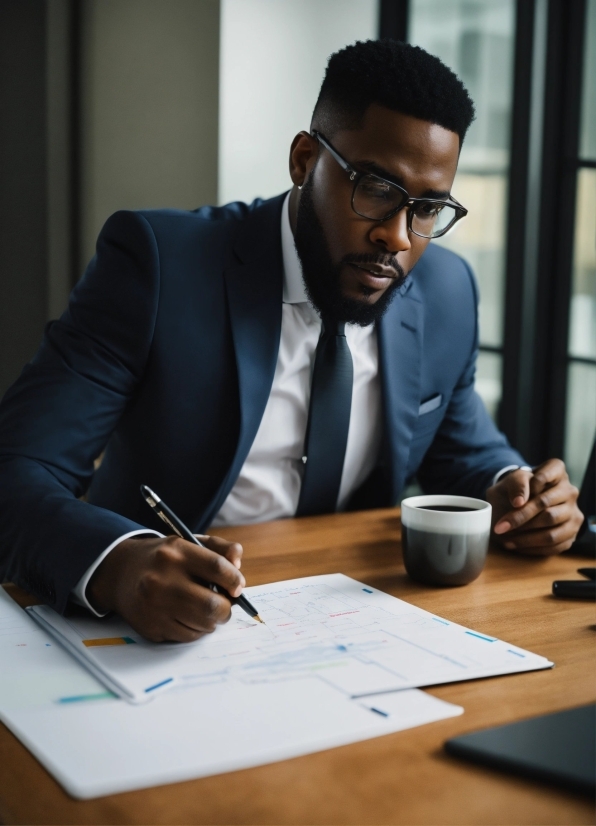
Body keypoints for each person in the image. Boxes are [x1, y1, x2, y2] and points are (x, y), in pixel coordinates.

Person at [0, 40, 582, 642]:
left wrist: (520, 494)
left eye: (428, 208)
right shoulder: (159, 265)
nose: (398, 238)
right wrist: (121, 566)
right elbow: (16, 469)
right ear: (305, 160)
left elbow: (464, 452)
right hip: (164, 628)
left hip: (360, 620)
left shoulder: (447, 289)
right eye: (378, 190)